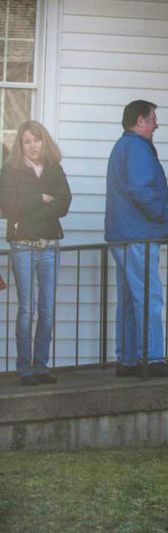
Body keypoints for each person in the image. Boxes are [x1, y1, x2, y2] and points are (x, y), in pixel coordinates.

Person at [105, 99, 168, 378]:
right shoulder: (137, 148)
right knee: (149, 297)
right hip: (139, 235)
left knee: (129, 300)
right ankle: (151, 359)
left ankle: (127, 361)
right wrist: (163, 218)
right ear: (140, 121)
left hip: (123, 234)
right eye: (152, 119)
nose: (156, 124)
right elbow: (142, 190)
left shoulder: (122, 146)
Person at [0, 121, 71, 386]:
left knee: (48, 310)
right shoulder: (10, 170)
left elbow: (64, 204)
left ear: (45, 142)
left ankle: (41, 366)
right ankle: (25, 368)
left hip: (50, 246)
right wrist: (41, 198)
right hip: (23, 247)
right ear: (20, 145)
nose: (32, 145)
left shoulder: (54, 168)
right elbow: (9, 207)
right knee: (27, 309)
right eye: (27, 141)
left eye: (37, 140)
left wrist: (32, 207)